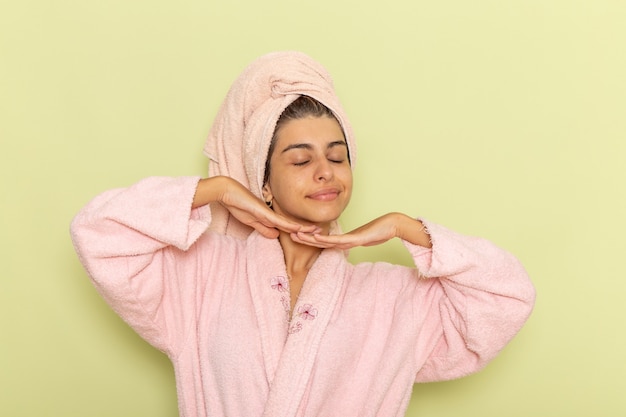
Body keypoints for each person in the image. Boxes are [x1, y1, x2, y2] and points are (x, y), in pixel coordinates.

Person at [70, 51, 535, 417]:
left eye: (337, 157)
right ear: (264, 183)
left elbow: (507, 297)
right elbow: (99, 233)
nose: (324, 172)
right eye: (300, 159)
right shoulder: (201, 275)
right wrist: (219, 190)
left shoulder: (395, 298)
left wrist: (404, 227)